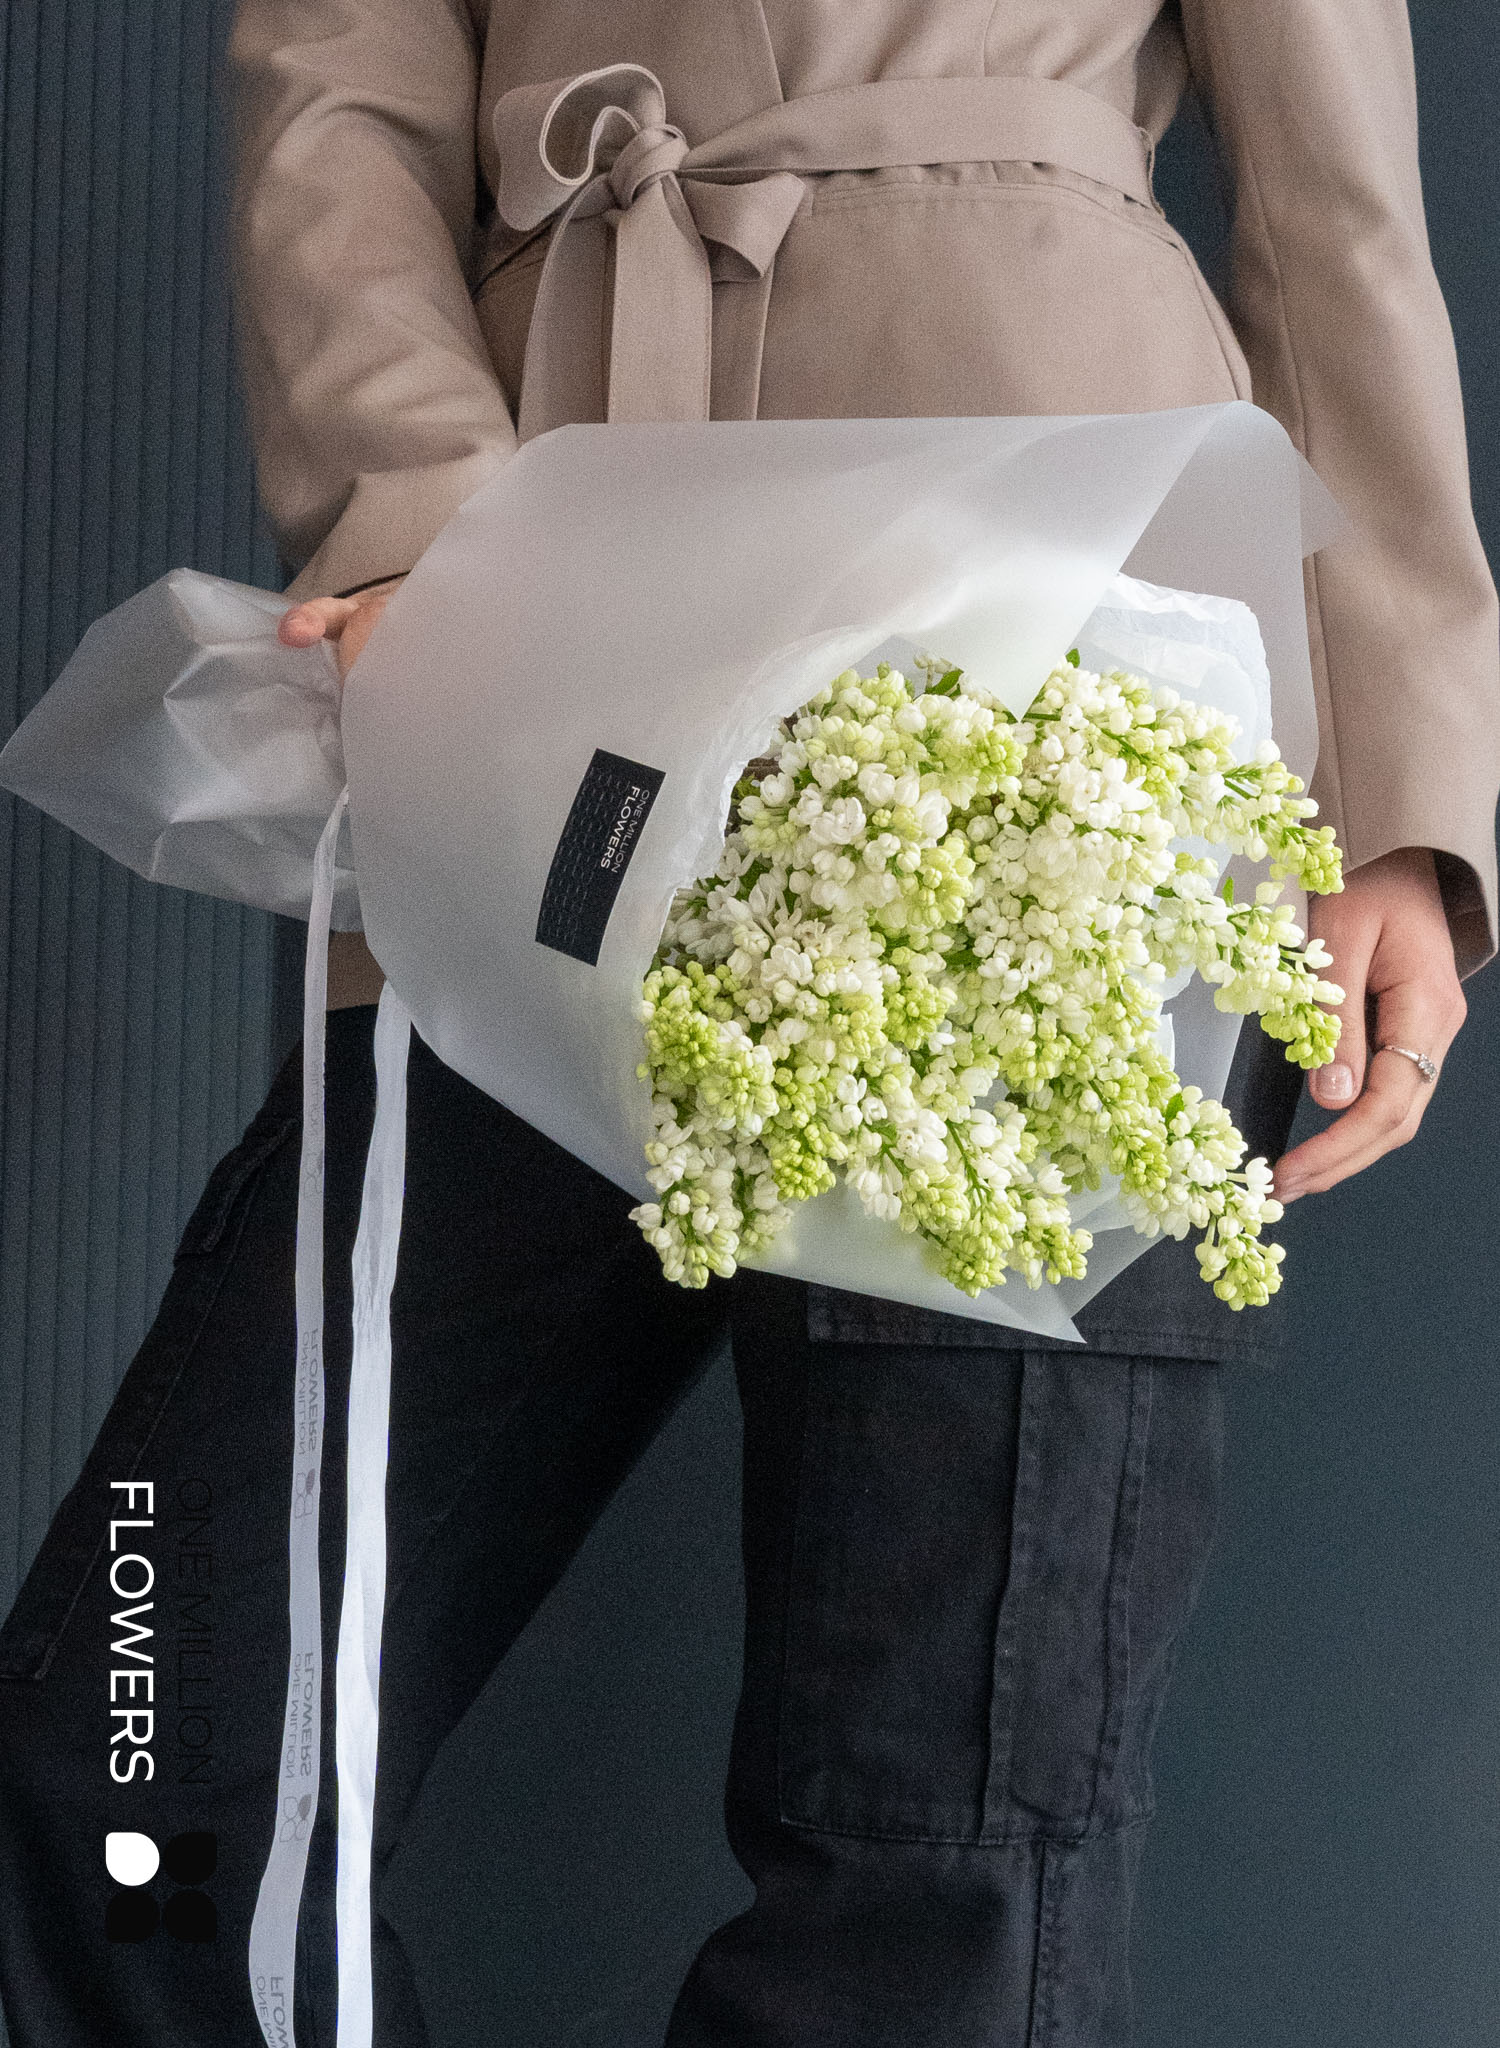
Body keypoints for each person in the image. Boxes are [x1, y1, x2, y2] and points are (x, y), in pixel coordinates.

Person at [0, 3, 1494, 2045]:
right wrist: (423, 529)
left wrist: (1401, 788)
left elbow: (1337, 208)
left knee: (938, 1855)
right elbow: (333, 83)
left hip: (1035, 664)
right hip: (539, 666)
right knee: (143, 1746)